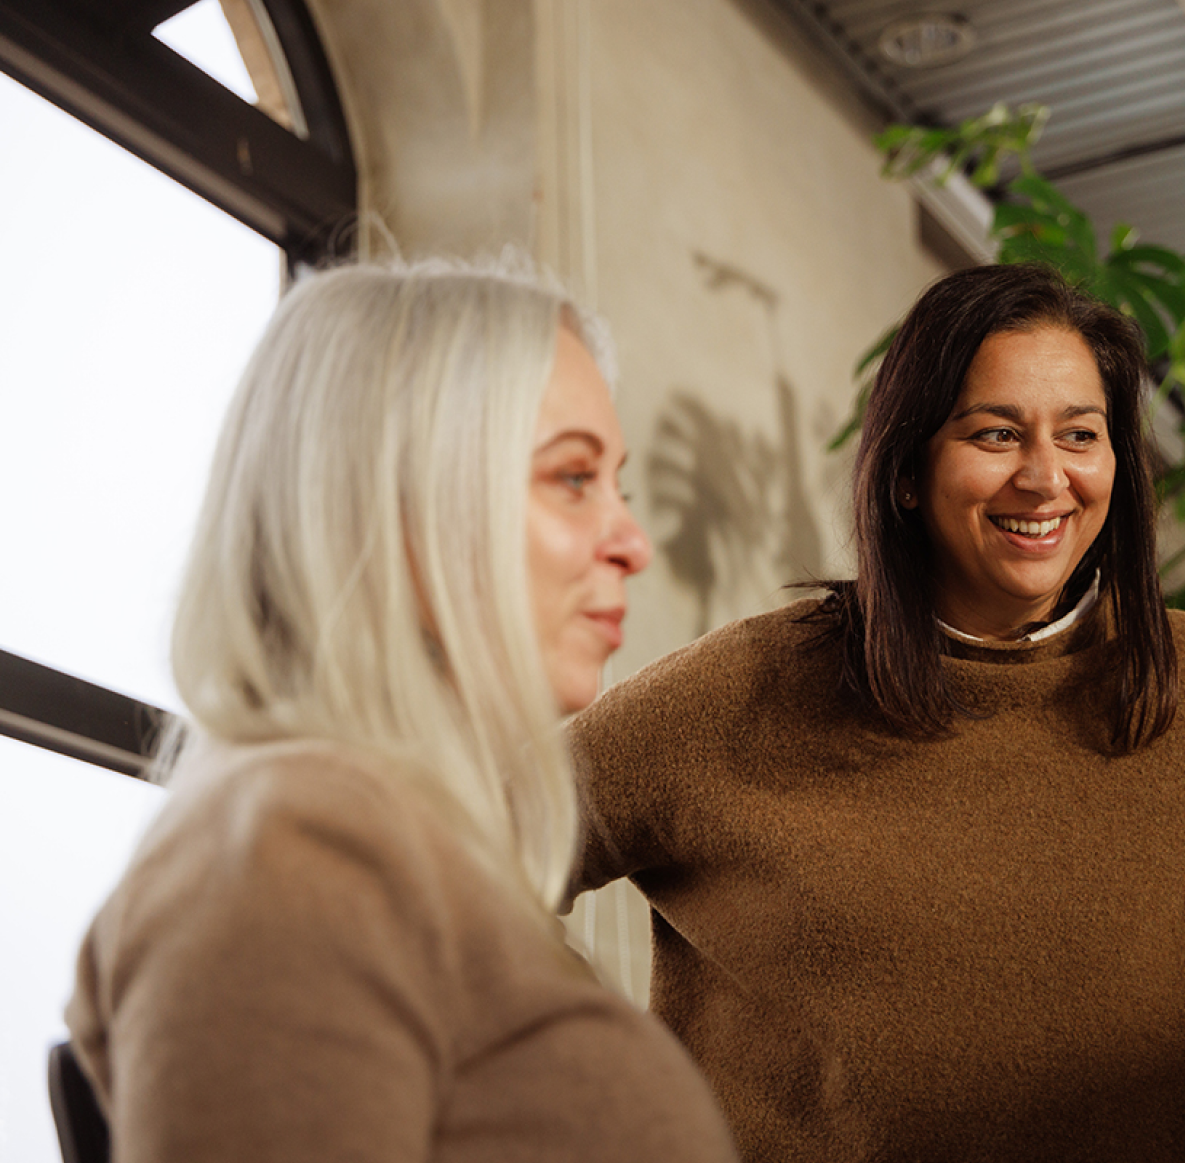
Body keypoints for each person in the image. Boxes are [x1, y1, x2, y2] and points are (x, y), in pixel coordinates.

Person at [569, 263, 1185, 1162]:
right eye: (995, 434)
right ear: (909, 470)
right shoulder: (752, 687)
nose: (1044, 477)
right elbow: (459, 836)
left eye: (1081, 434)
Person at [64, 260, 738, 1163]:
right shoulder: (291, 846)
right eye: (573, 478)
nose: (632, 543)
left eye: (618, 483)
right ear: (390, 501)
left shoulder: (393, 842)